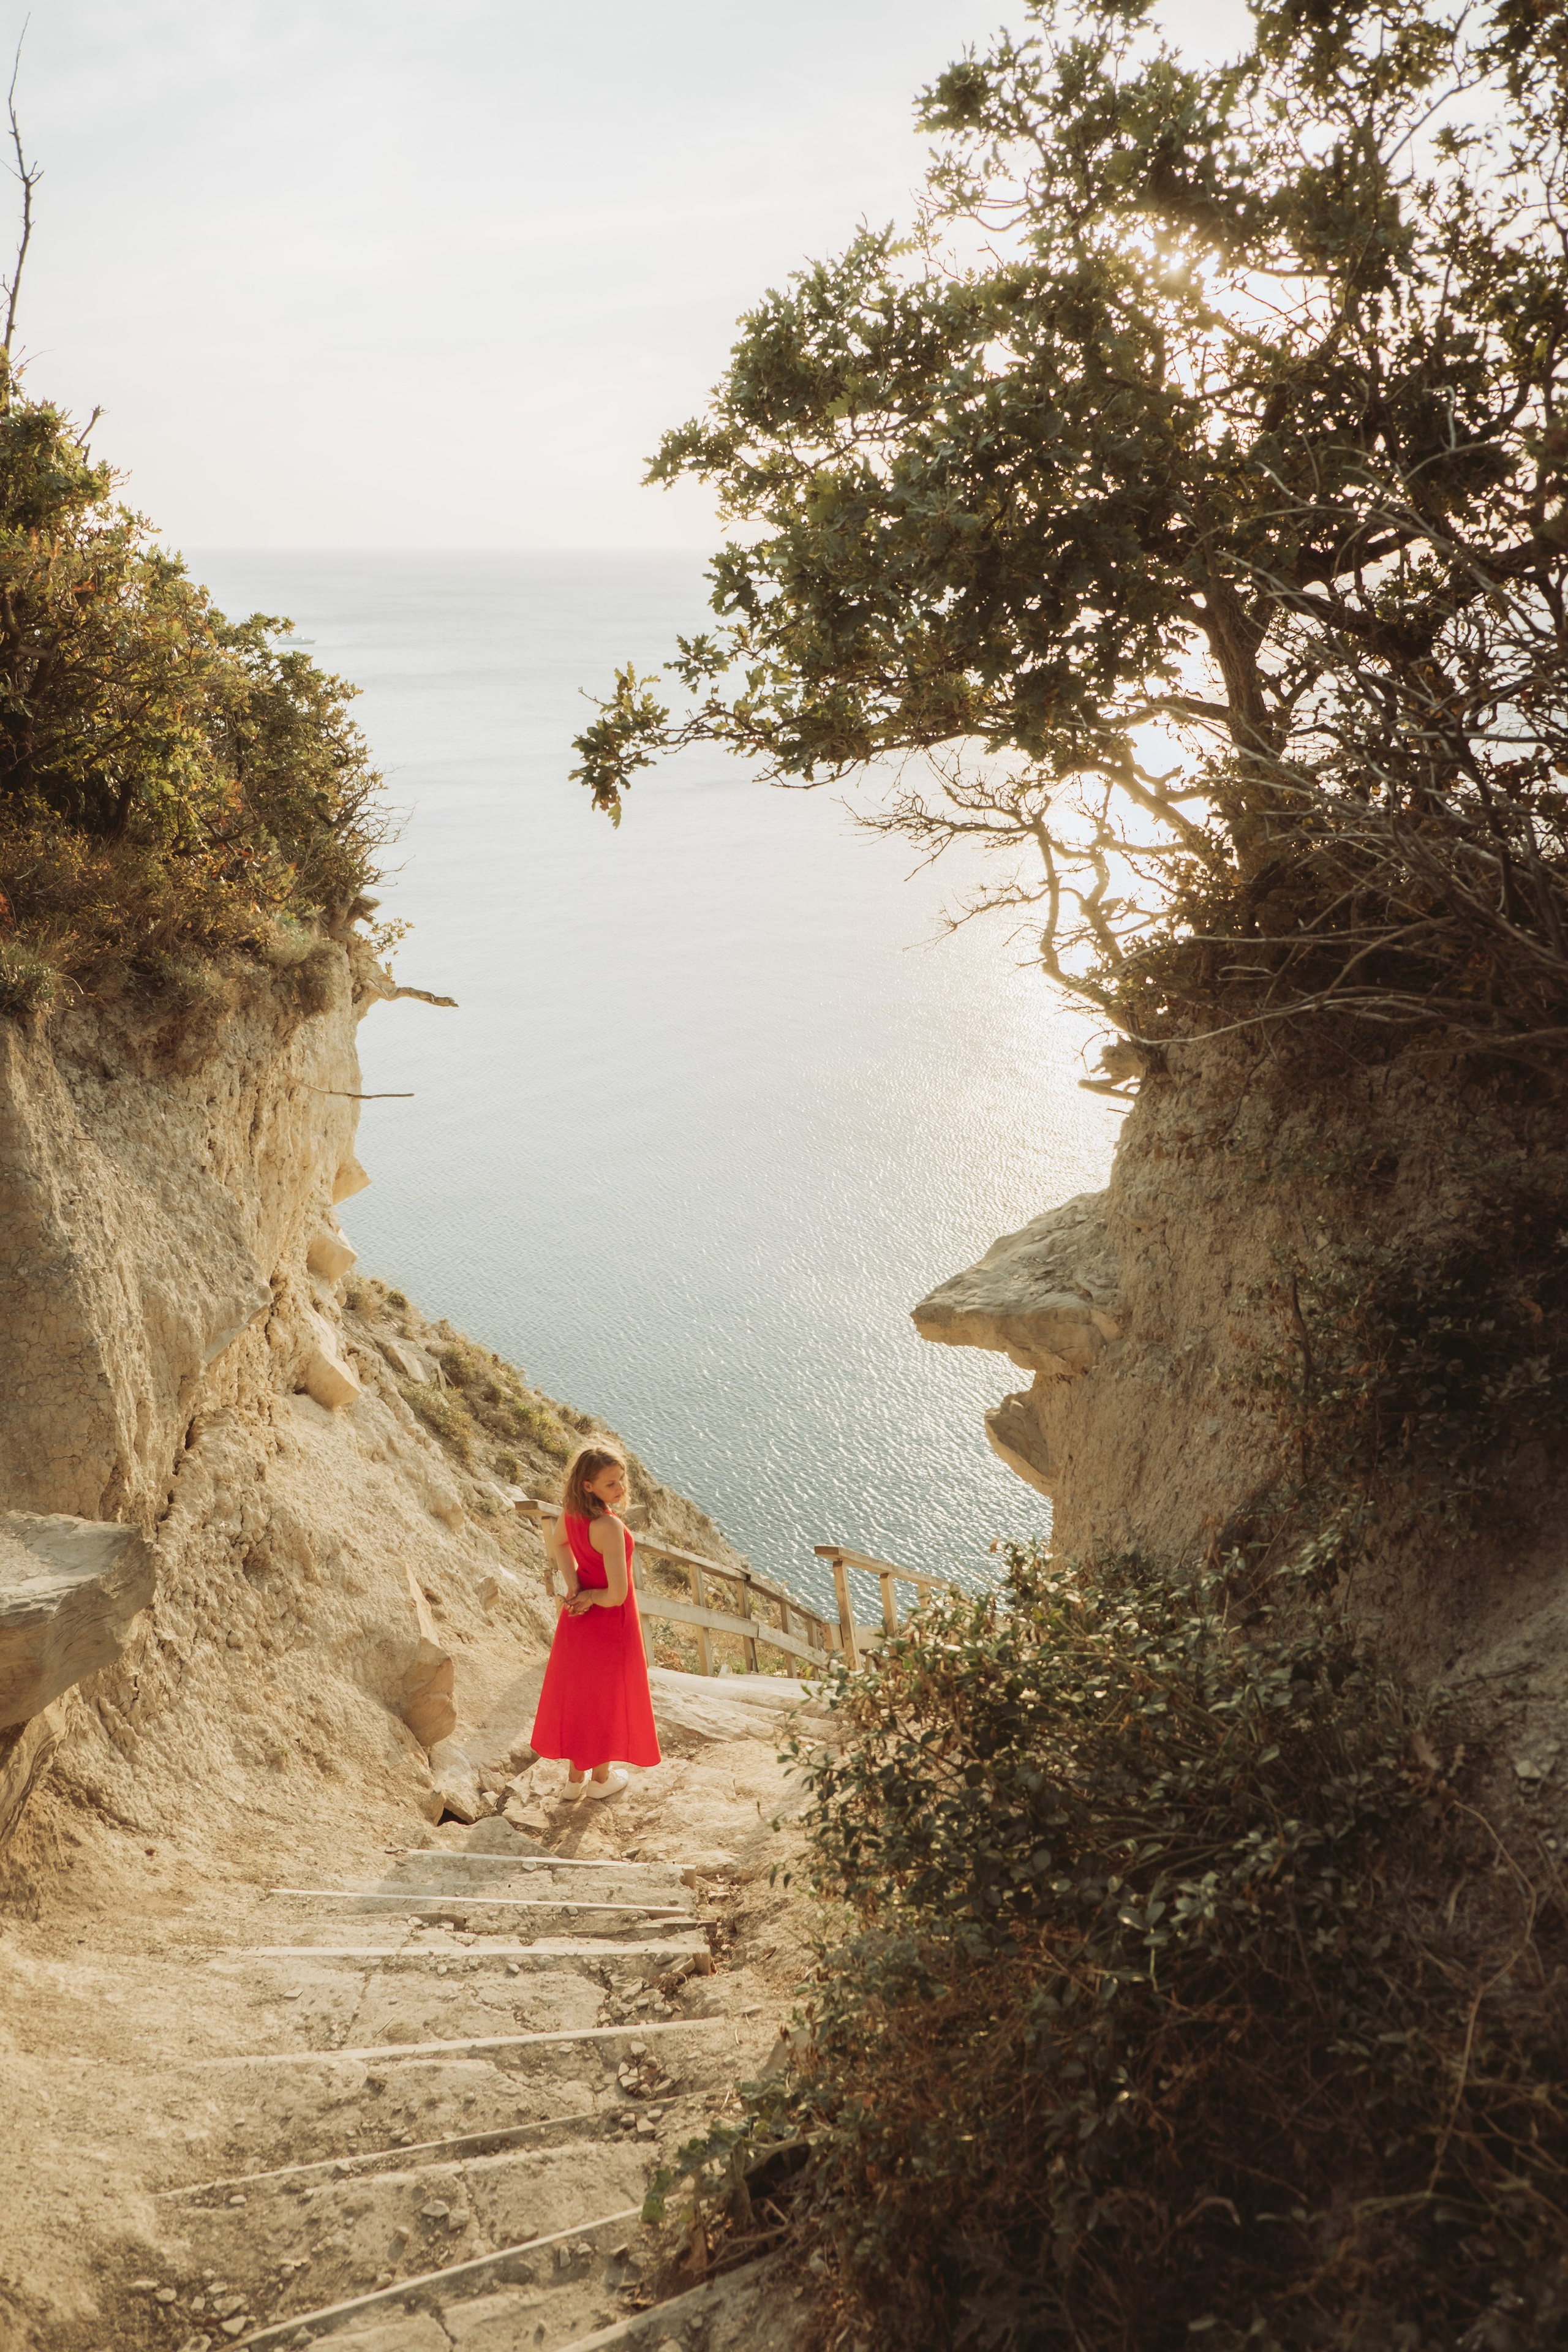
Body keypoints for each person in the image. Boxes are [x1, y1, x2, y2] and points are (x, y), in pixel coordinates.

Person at [529, 1441, 661, 1796]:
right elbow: (617, 1594)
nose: (621, 1489)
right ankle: (600, 1781)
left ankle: (574, 1781)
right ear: (588, 1485)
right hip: (610, 1622)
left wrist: (574, 1588)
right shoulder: (609, 1526)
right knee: (606, 1699)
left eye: (621, 1480)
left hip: (578, 1618)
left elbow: (559, 1545)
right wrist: (587, 1595)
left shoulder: (571, 1511)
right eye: (611, 1484)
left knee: (580, 1695)